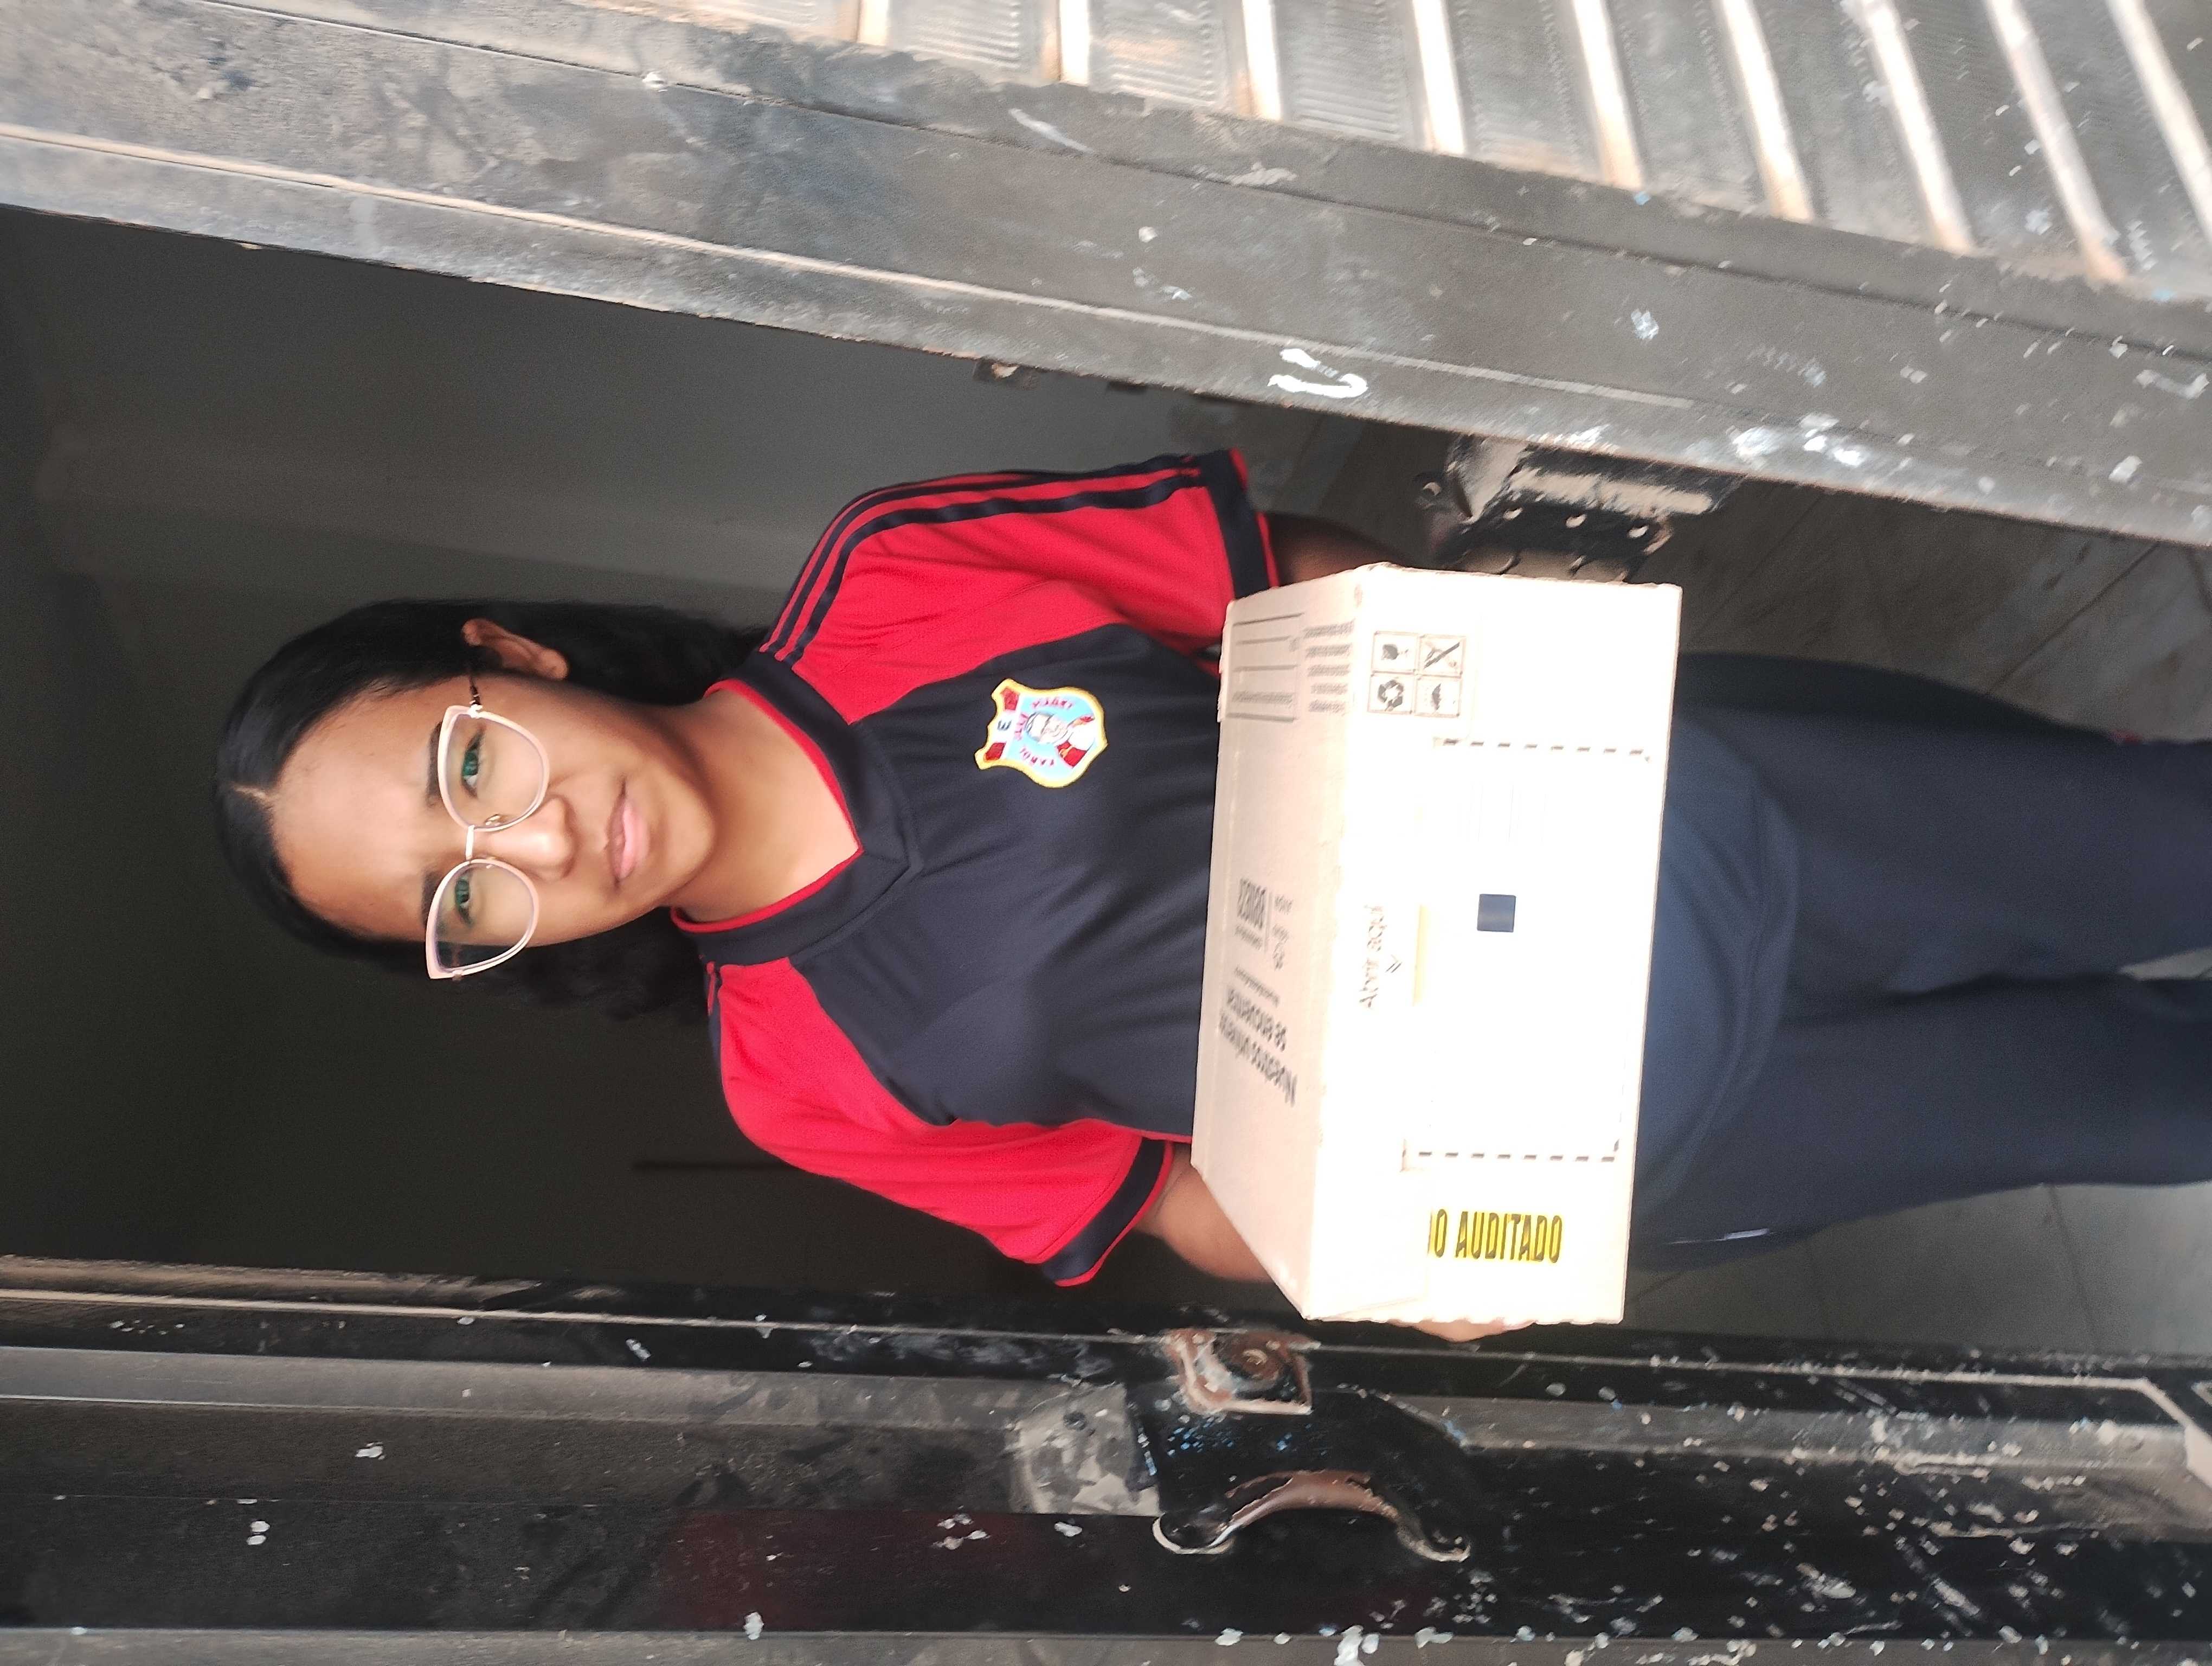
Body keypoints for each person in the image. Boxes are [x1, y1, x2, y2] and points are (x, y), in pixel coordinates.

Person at [215, 452, 2212, 1323]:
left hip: (1704, 814)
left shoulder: (897, 572)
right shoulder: (794, 1084)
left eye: (469, 767)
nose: (533, 846)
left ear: (512, 659)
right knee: (2141, 1104)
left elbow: (1291, 578)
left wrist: (1487, 663)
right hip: (1644, 1126)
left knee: (2162, 842)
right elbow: (1176, 1205)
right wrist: (1414, 1257)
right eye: (458, 901)